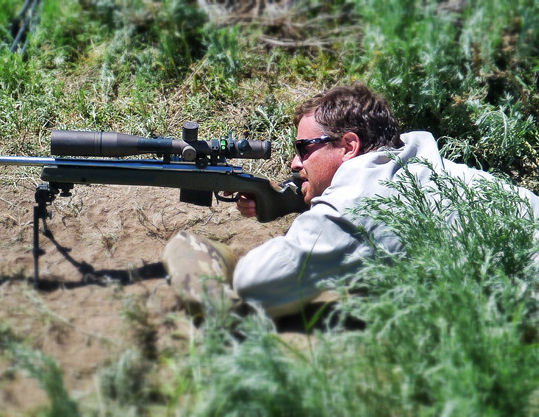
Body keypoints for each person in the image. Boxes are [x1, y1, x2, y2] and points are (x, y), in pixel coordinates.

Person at [162, 82, 539, 318]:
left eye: (302, 149)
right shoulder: (416, 161)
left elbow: (256, 284)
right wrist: (295, 199)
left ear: (348, 146)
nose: (294, 163)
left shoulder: (351, 207)